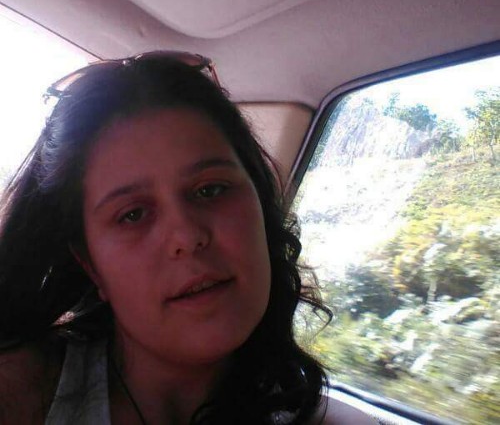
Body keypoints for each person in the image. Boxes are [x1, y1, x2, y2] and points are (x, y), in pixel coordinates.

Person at [0, 52, 375, 424]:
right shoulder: (19, 391)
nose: (187, 236)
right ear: (91, 264)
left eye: (210, 190)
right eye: (132, 214)